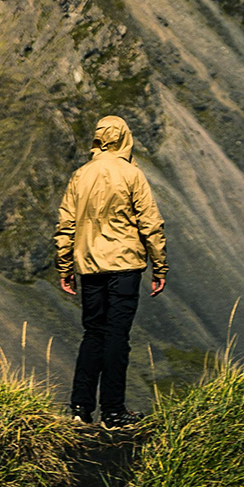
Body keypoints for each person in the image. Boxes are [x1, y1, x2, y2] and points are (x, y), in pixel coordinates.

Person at [54, 115, 168, 428]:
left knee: (93, 334)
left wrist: (65, 268)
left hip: (89, 266)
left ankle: (79, 408)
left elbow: (66, 225)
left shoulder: (80, 176)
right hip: (125, 266)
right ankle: (113, 411)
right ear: (125, 139)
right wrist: (160, 266)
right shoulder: (132, 175)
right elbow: (151, 224)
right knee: (118, 336)